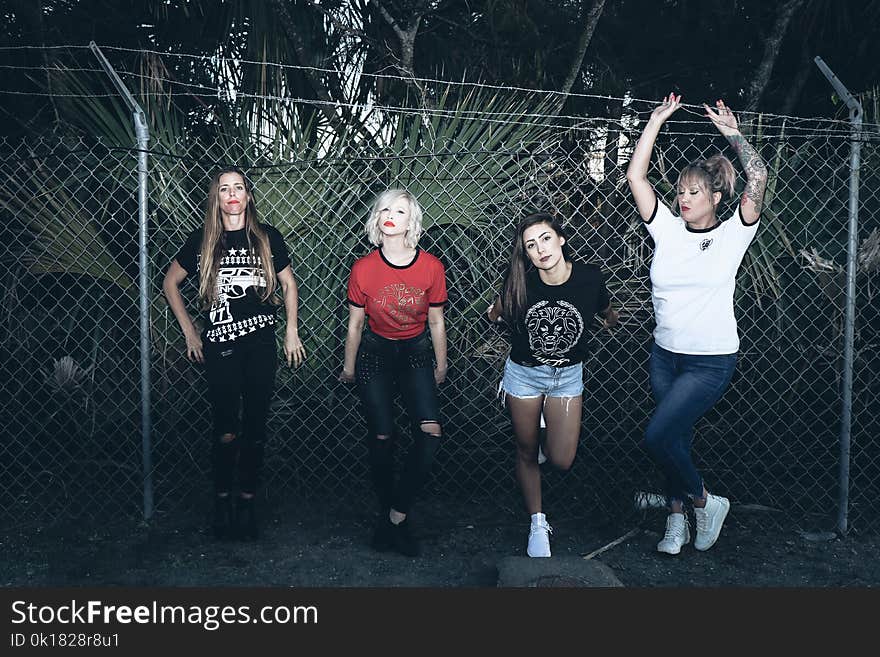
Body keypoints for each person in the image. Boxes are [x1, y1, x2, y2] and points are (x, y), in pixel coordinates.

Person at [625, 95, 768, 555]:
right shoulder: (666, 229)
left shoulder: (733, 234)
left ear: (717, 198)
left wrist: (733, 131)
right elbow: (635, 176)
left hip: (710, 362)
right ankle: (675, 521)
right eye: (681, 192)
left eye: (694, 193)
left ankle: (706, 502)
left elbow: (759, 176)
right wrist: (654, 122)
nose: (684, 199)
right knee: (675, 439)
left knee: (657, 436)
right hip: (664, 355)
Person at [162, 166, 305, 541]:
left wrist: (291, 331)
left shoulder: (267, 237)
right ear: (217, 198)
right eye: (224, 188)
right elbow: (170, 282)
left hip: (260, 344)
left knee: (256, 427)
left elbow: (288, 284)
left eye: (238, 187)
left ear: (248, 196)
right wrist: (191, 330)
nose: (232, 194)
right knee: (226, 428)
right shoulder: (203, 240)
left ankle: (246, 503)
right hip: (220, 344)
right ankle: (222, 502)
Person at [487, 213, 618, 557]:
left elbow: (608, 311)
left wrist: (607, 320)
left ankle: (547, 427)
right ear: (526, 254)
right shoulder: (520, 282)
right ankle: (537, 523)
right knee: (526, 451)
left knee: (561, 459)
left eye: (545, 239)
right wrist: (500, 313)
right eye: (531, 245)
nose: (540, 249)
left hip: (566, 377)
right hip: (525, 375)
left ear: (560, 239)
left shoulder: (589, 278)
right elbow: (494, 313)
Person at [339, 188, 448, 557]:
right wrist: (349, 367)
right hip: (375, 354)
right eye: (384, 209)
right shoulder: (363, 268)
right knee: (383, 436)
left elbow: (436, 320)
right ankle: (391, 516)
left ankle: (395, 517)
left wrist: (441, 362)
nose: (390, 215)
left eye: (400, 211)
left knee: (430, 433)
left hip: (416, 352)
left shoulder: (431, 266)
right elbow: (355, 324)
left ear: (410, 222)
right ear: (377, 219)